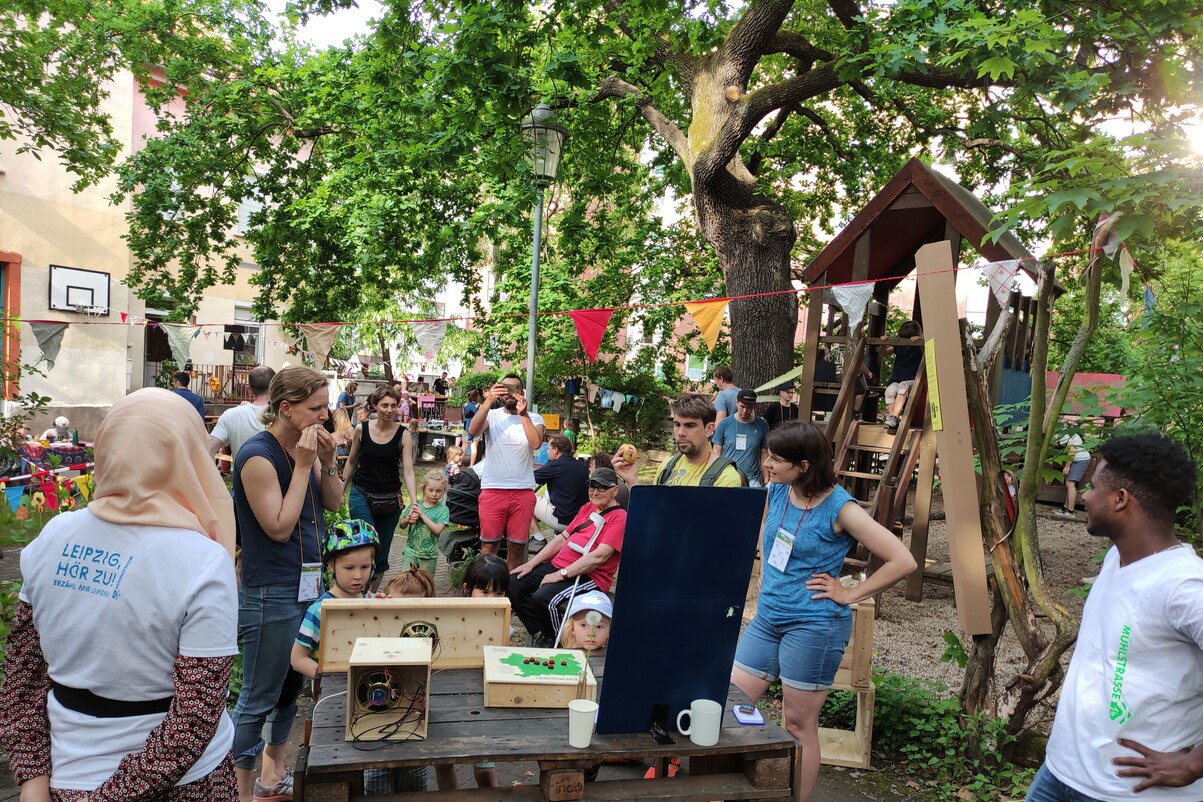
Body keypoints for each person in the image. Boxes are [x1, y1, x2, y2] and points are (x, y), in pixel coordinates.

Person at [0, 389, 239, 801]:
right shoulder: (202, 560)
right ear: (188, 455)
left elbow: (22, 672)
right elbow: (195, 716)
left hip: (70, 773)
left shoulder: (55, 534)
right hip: (184, 784)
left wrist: (33, 780)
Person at [731, 422, 916, 802]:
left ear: (803, 465)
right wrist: (766, 571)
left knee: (799, 725)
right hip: (768, 618)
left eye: (775, 459)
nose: (766, 463)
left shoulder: (841, 508)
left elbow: (903, 560)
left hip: (813, 626)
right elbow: (770, 532)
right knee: (728, 700)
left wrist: (849, 594)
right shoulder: (777, 489)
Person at [1027, 433, 1203, 802]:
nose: (1085, 497)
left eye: (1093, 488)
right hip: (1060, 773)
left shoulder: (1185, 587)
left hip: (1127, 793)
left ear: (1121, 500)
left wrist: (1191, 765)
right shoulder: (1118, 558)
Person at [230, 365, 343, 802]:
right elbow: (278, 526)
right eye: (316, 407)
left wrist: (327, 464)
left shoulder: (308, 450)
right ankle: (239, 790)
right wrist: (302, 465)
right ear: (285, 408)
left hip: (310, 586)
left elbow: (331, 502)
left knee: (289, 691)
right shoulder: (258, 456)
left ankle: (271, 779)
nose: (325, 414)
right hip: (271, 590)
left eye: (325, 405)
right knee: (258, 696)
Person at [509, 467, 626, 648]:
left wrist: (560, 574)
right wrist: (531, 564)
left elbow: (599, 557)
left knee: (544, 598)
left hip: (590, 576)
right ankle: (545, 629)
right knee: (513, 583)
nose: (595, 492)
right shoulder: (587, 508)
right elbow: (562, 539)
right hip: (559, 565)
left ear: (615, 491)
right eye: (592, 487)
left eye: (601, 488)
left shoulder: (620, 518)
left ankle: (554, 642)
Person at [364, 566, 436, 795]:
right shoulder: (377, 626)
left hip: (414, 726)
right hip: (375, 725)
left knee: (414, 781)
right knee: (376, 782)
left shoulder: (432, 639)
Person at [342, 385, 418, 593]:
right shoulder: (362, 429)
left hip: (389, 500)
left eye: (393, 405)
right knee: (365, 545)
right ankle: (356, 593)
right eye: (384, 405)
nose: (389, 410)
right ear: (375, 405)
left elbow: (409, 471)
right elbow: (351, 462)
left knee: (381, 552)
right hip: (361, 494)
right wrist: (341, 489)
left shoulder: (403, 435)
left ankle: (370, 596)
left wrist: (414, 501)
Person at [467, 373, 545, 572]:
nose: (510, 394)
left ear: (522, 392)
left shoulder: (534, 417)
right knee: (488, 547)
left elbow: (535, 443)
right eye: (505, 388)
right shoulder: (492, 415)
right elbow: (473, 431)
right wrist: (488, 401)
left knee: (517, 548)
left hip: (523, 492)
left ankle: (510, 596)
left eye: (514, 389)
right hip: (493, 489)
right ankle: (486, 593)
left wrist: (524, 414)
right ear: (500, 392)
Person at [290, 520, 379, 682]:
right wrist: (329, 678)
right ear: (331, 565)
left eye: (365, 567)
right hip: (332, 698)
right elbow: (297, 659)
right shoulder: (319, 611)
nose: (358, 575)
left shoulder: (374, 602)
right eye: (349, 568)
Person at [613, 394, 744, 488]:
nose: (680, 432)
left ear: (709, 429)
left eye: (690, 425)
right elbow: (652, 515)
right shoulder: (667, 466)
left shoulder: (725, 477)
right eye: (677, 424)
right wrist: (632, 480)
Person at [209, 365, 276, 460]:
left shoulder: (230, 415)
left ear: (249, 391)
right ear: (275, 387)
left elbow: (208, 450)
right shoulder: (284, 414)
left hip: (241, 473)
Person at [533, 434, 590, 535]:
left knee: (525, 497)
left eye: (549, 448)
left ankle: (538, 537)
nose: (547, 451)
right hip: (581, 519)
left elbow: (529, 478)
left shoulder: (555, 465)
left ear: (556, 450)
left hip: (564, 521)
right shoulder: (581, 465)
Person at [712, 388, 769, 487]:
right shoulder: (724, 424)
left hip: (752, 480)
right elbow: (716, 452)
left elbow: (764, 454)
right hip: (728, 477)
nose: (745, 411)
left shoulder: (762, 425)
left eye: (749, 407)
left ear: (754, 406)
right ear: (737, 402)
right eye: (742, 406)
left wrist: (767, 480)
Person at [399, 470, 450, 576]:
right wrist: (407, 520)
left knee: (425, 584)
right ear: (424, 488)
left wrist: (422, 515)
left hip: (428, 555)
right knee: (406, 579)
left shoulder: (443, 510)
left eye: (439, 491)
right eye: (430, 490)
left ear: (444, 491)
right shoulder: (416, 505)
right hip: (411, 551)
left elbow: (437, 530)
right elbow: (401, 525)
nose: (434, 494)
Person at [881, 320, 923, 431]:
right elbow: (883, 353)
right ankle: (893, 418)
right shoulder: (899, 345)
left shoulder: (920, 346)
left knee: (903, 387)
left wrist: (920, 340)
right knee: (889, 391)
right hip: (897, 379)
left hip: (914, 379)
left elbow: (927, 349)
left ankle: (894, 417)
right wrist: (883, 343)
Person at [1054, 429, 1091, 520]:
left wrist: (1067, 466)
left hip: (1080, 459)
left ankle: (1070, 511)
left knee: (1070, 483)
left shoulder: (1063, 433)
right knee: (1069, 483)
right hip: (1078, 459)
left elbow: (1072, 450)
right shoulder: (1065, 431)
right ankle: (1065, 508)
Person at [462, 389, 482, 466]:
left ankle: (459, 462)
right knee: (474, 447)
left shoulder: (464, 405)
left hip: (466, 426)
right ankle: (471, 465)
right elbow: (481, 416)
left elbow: (464, 415)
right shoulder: (480, 405)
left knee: (464, 446)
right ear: (477, 397)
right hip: (476, 427)